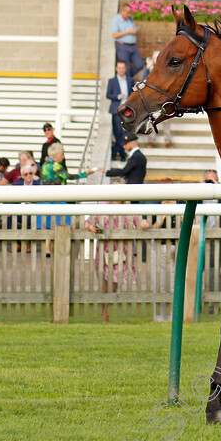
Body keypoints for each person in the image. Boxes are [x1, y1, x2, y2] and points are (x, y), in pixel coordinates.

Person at [85, 193, 150, 323]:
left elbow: (140, 222)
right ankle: (105, 314)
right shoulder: (103, 208)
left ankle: (106, 312)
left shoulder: (128, 209)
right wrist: (91, 227)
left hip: (121, 251)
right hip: (104, 251)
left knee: (114, 283)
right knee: (104, 283)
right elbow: (88, 222)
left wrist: (144, 223)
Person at [107, 60, 136, 161]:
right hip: (116, 110)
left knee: (126, 132)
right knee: (118, 132)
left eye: (123, 68)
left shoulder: (130, 80)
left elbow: (133, 93)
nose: (121, 70)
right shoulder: (112, 81)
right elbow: (108, 94)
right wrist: (118, 96)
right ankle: (122, 153)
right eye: (119, 68)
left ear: (125, 69)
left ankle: (116, 150)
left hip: (127, 110)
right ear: (116, 69)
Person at [111, 3, 144, 81]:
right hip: (122, 46)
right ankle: (128, 81)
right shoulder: (116, 20)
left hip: (133, 46)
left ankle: (128, 78)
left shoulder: (130, 19)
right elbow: (115, 35)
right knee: (126, 68)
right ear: (122, 11)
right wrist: (129, 32)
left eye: (130, 13)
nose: (129, 14)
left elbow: (133, 29)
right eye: (128, 12)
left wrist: (135, 31)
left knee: (140, 65)